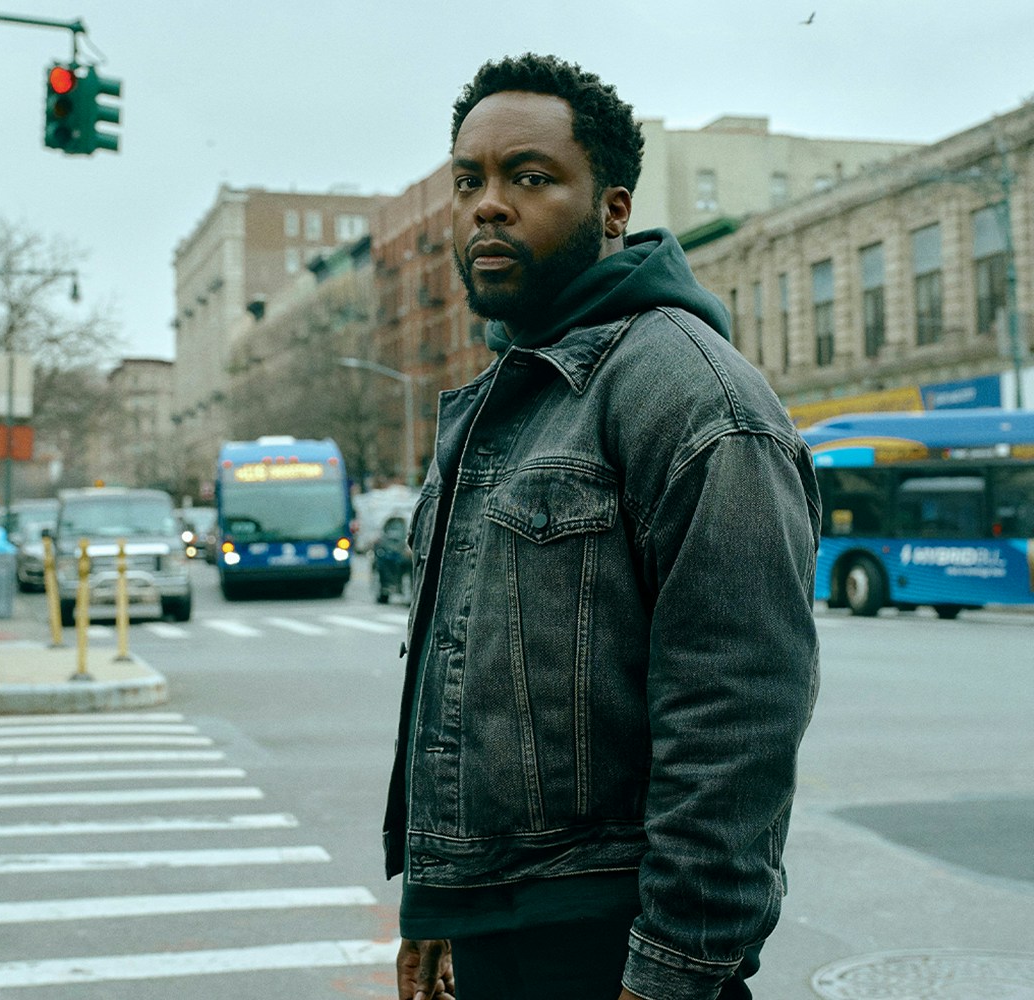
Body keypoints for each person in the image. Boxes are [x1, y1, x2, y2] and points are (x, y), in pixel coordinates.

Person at [385, 54, 820, 1000]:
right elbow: (463, 682)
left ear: (613, 209)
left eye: (530, 178)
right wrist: (436, 901)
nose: (487, 206)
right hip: (496, 926)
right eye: (470, 180)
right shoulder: (508, 394)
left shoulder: (692, 398)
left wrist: (673, 967)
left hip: (610, 946)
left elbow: (736, 715)